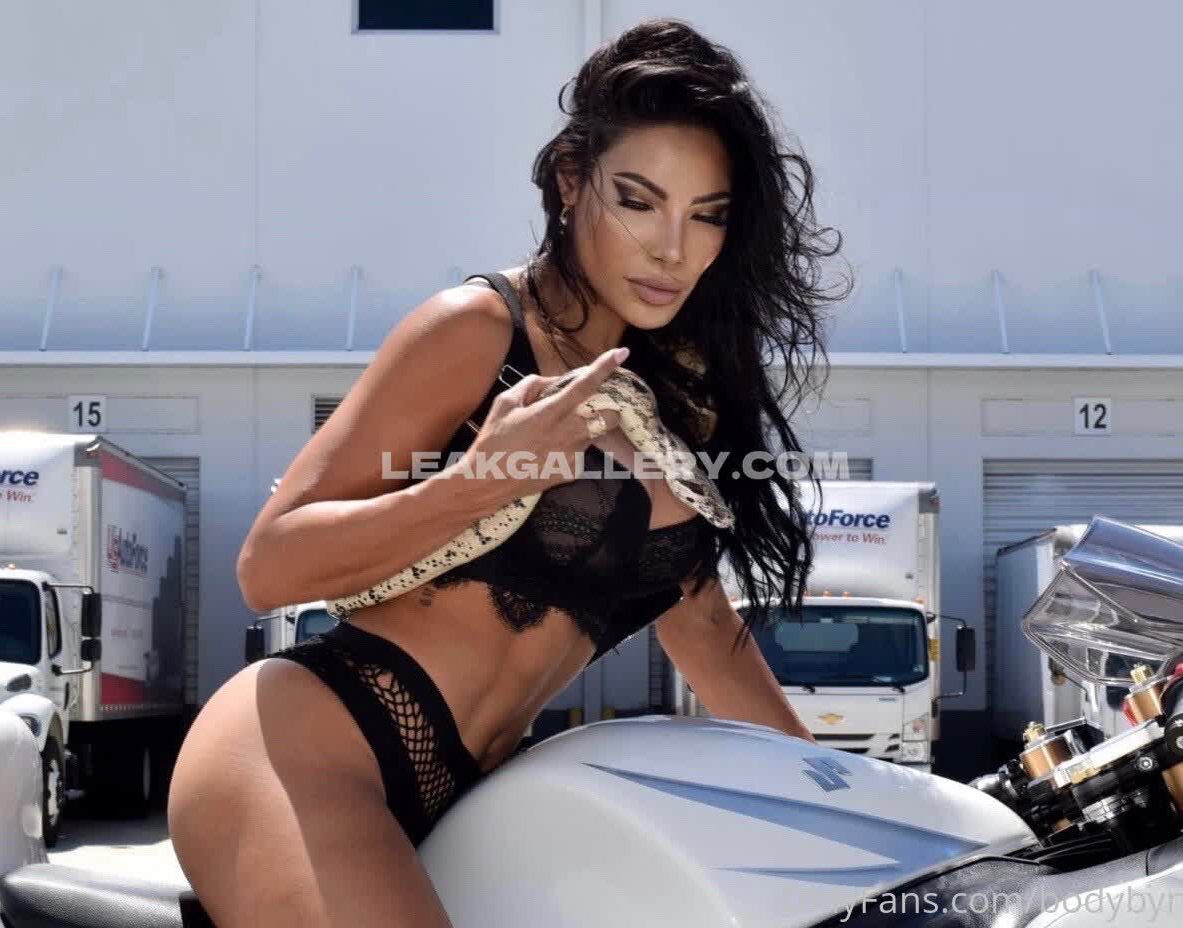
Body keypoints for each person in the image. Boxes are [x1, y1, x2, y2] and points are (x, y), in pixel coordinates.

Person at [167, 17, 852, 927]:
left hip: (485, 799)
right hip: (311, 745)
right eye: (639, 201)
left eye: (707, 215)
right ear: (570, 180)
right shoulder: (478, 330)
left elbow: (704, 629)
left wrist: (841, 800)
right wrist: (477, 483)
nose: (673, 248)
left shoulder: (671, 405)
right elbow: (268, 566)